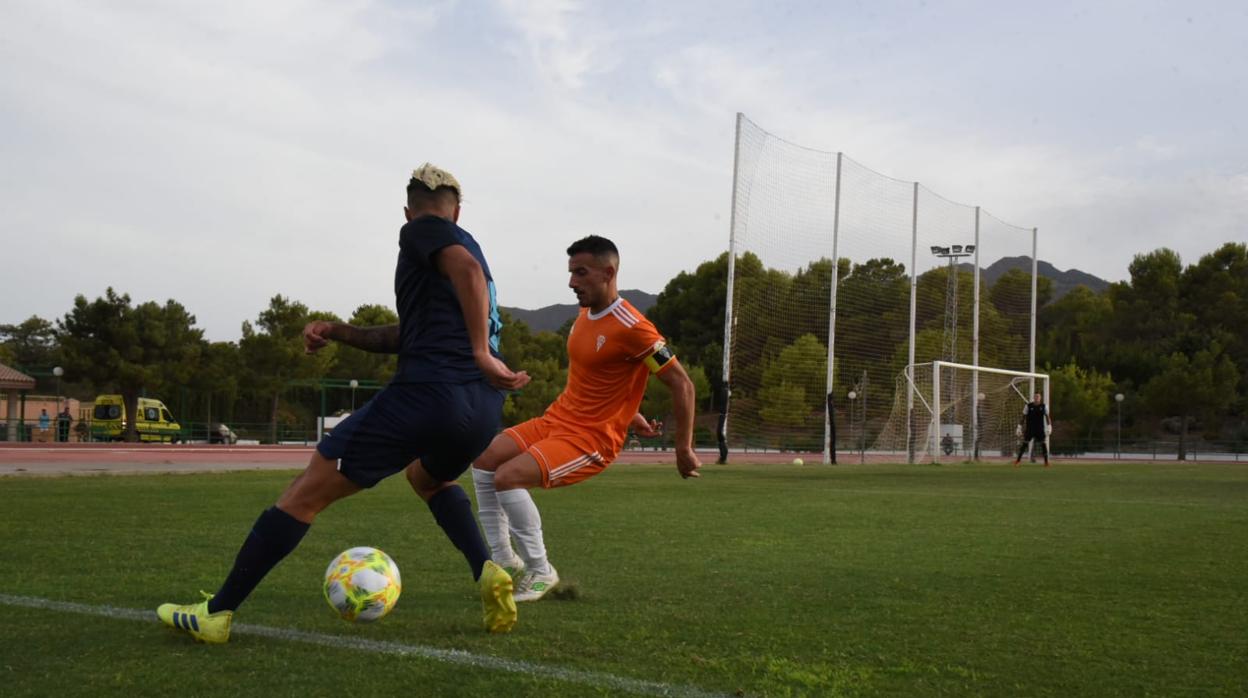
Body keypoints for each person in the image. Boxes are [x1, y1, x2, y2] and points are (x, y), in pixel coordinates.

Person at [157, 164, 530, 643]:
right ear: (457, 210)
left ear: (411, 211)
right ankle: (487, 571)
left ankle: (217, 613)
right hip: (480, 408)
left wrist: (480, 353)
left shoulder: (425, 233)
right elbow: (411, 333)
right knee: (428, 478)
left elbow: (467, 271)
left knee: (304, 493)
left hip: (428, 394)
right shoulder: (464, 256)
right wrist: (339, 332)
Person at [458, 235, 701, 602]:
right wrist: (632, 415)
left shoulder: (634, 327)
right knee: (485, 460)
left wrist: (683, 448)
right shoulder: (584, 313)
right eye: (571, 273)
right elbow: (601, 378)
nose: (572, 282)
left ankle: (541, 571)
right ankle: (507, 561)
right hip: (557, 419)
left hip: (591, 439)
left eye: (581, 273)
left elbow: (682, 384)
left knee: (508, 477)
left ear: (608, 272)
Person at [1014, 392, 1052, 467]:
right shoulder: (1028, 406)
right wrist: (1019, 427)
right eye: (1035, 396)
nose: (1037, 398)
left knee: (1043, 444)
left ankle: (1046, 462)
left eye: (1038, 396)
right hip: (1030, 429)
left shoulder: (1044, 406)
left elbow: (1047, 417)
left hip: (1040, 429)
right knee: (1024, 444)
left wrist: (1049, 427)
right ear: (1033, 398)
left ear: (1040, 398)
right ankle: (1017, 461)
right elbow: (1023, 417)